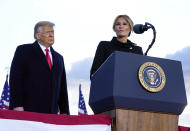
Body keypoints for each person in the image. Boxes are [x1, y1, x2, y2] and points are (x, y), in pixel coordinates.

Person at [9, 21, 70, 114]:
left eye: (52, 32)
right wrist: (17, 105)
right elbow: (15, 80)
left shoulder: (59, 58)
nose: (51, 35)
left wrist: (65, 112)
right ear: (38, 36)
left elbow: (62, 88)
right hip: (27, 112)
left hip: (51, 115)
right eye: (47, 32)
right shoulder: (23, 51)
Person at [90, 15, 143, 79]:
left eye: (124, 24)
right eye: (118, 24)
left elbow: (140, 75)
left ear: (130, 28)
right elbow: (94, 72)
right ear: (114, 28)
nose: (121, 26)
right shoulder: (104, 45)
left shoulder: (137, 50)